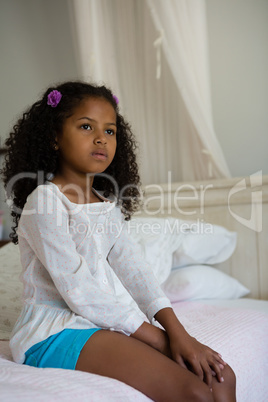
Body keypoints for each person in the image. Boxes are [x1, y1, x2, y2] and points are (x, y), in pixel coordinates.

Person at [1, 81, 236, 402]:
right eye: (86, 126)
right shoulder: (45, 201)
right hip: (53, 331)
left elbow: (136, 272)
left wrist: (179, 334)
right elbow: (79, 289)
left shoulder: (106, 206)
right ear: (54, 137)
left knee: (221, 377)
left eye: (110, 131)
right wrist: (159, 339)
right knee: (194, 391)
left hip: (101, 322)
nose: (101, 138)